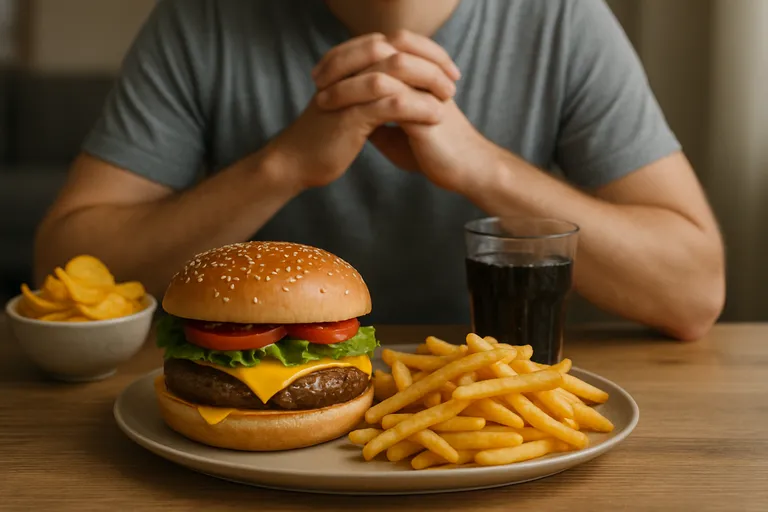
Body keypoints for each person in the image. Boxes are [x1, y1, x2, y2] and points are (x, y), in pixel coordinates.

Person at [34, 0, 725, 339]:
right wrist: (284, 164)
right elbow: (64, 268)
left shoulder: (561, 17)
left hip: (491, 411)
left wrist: (482, 168)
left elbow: (693, 293)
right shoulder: (202, 17)